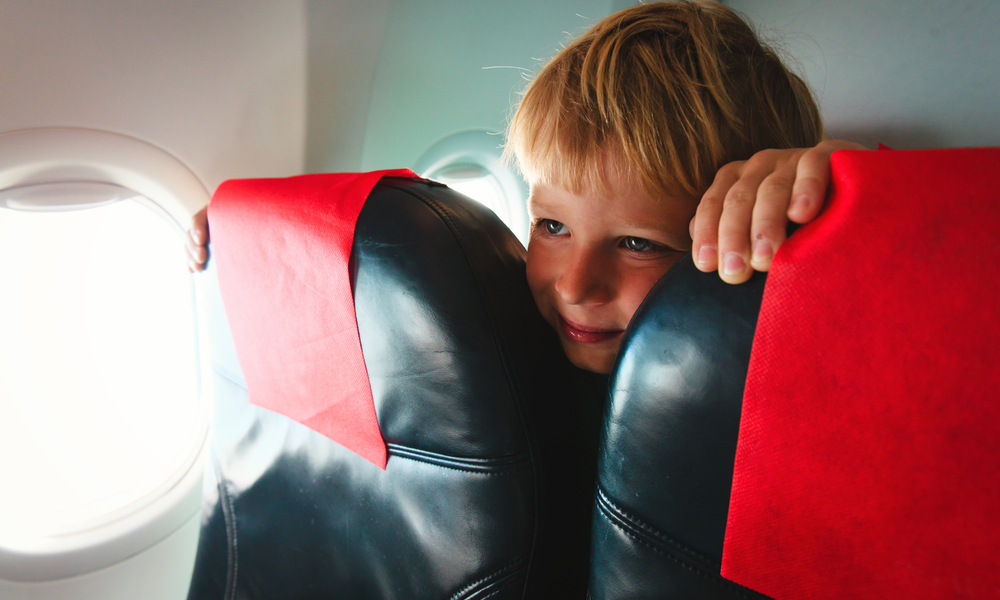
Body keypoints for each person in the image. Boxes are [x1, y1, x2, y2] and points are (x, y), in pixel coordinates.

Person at [185, 0, 864, 374]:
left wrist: (841, 197)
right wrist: (267, 244)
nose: (574, 284)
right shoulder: (510, 346)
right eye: (552, 227)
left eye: (636, 242)